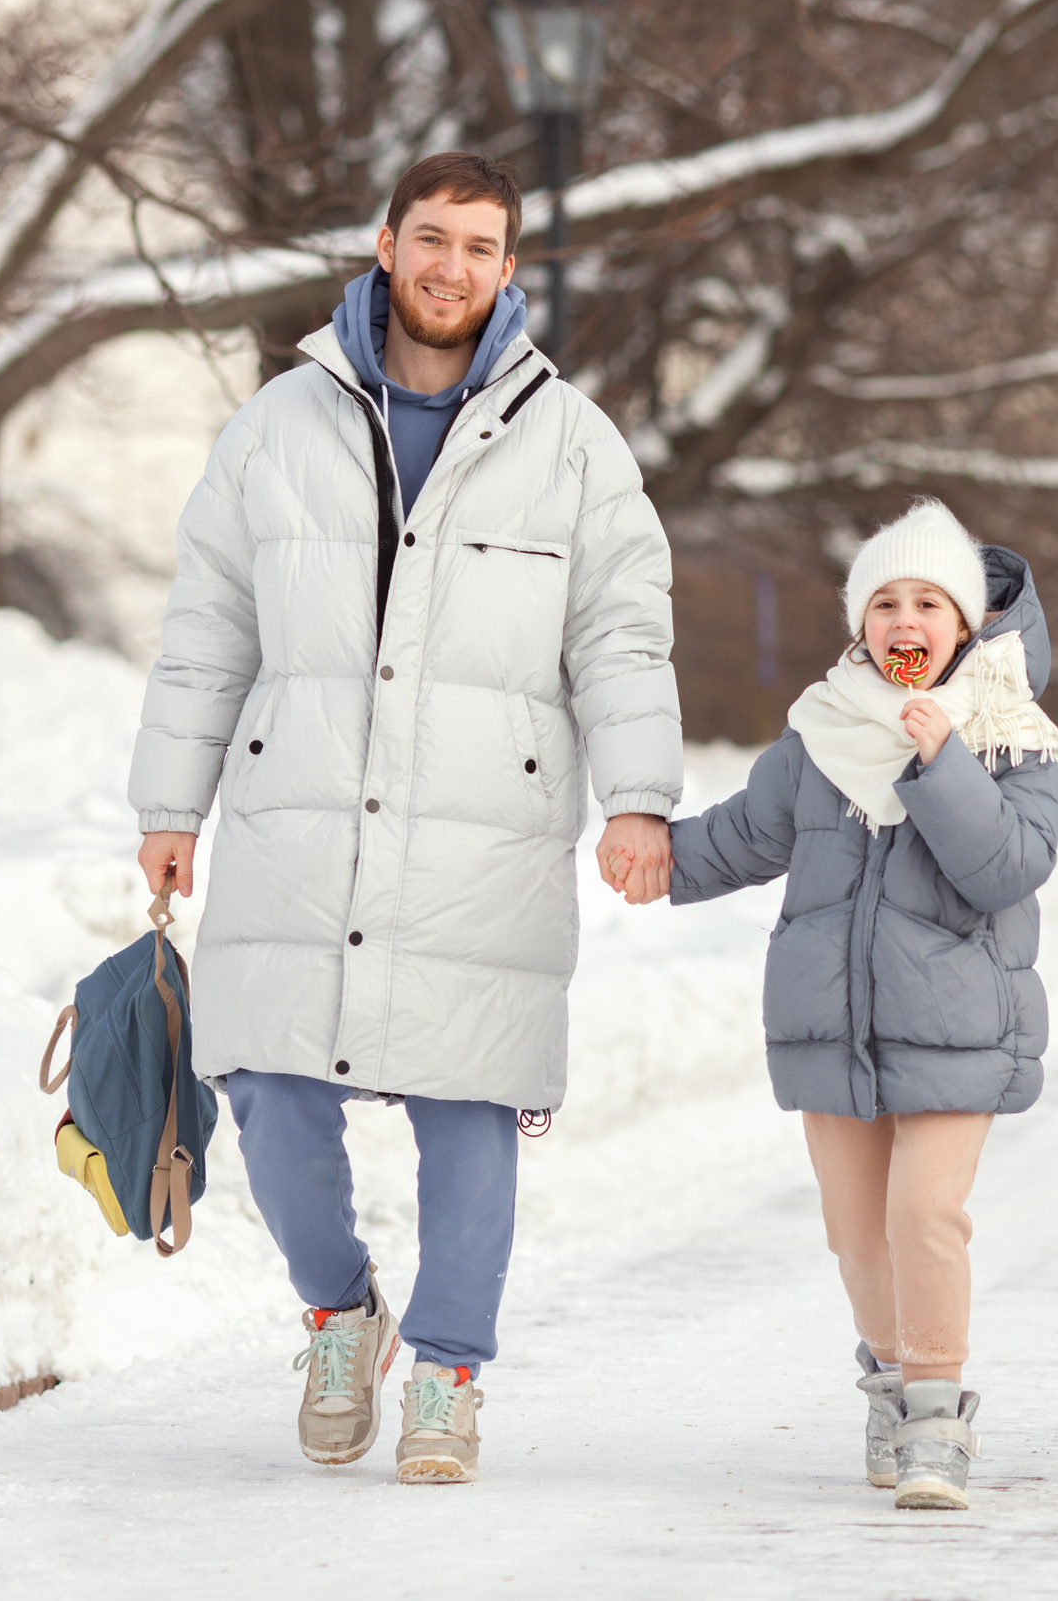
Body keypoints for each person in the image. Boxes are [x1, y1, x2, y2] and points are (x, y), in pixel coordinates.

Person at [127, 152, 682, 1485]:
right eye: (431, 238)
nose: (452, 267)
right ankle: (339, 1309)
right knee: (264, 1084)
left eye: (481, 246)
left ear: (509, 269)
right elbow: (207, 625)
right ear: (386, 244)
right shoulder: (277, 423)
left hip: (486, 823)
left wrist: (641, 796)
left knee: (469, 1099)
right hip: (296, 808)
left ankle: (445, 1371)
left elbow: (621, 634)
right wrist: (169, 798)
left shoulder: (577, 444)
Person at [662, 501, 1058, 1511]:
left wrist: (943, 763)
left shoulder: (1013, 738)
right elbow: (747, 833)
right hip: (835, 1024)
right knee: (855, 1232)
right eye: (885, 601)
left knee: (923, 1213)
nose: (904, 619)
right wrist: (653, 859)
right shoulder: (825, 729)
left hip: (959, 1027)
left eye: (928, 601)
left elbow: (1009, 865)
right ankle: (889, 1383)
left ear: (964, 625)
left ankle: (936, 1419)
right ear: (861, 623)